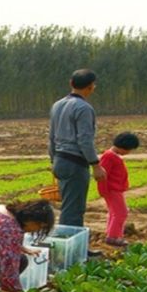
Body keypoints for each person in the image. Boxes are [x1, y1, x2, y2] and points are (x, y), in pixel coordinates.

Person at [49, 69, 107, 230]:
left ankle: (74, 246)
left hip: (60, 160)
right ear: (90, 87)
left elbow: (51, 137)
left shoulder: (57, 105)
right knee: (74, 209)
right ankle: (71, 249)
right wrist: (96, 165)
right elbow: (84, 140)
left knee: (69, 206)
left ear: (71, 83)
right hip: (75, 163)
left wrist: (54, 161)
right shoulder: (83, 108)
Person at [97, 132, 140, 246]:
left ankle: (113, 234)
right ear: (124, 147)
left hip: (115, 189)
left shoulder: (113, 156)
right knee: (121, 213)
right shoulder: (109, 156)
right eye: (129, 150)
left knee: (114, 212)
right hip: (112, 190)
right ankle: (113, 236)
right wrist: (103, 190)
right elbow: (102, 176)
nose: (129, 152)